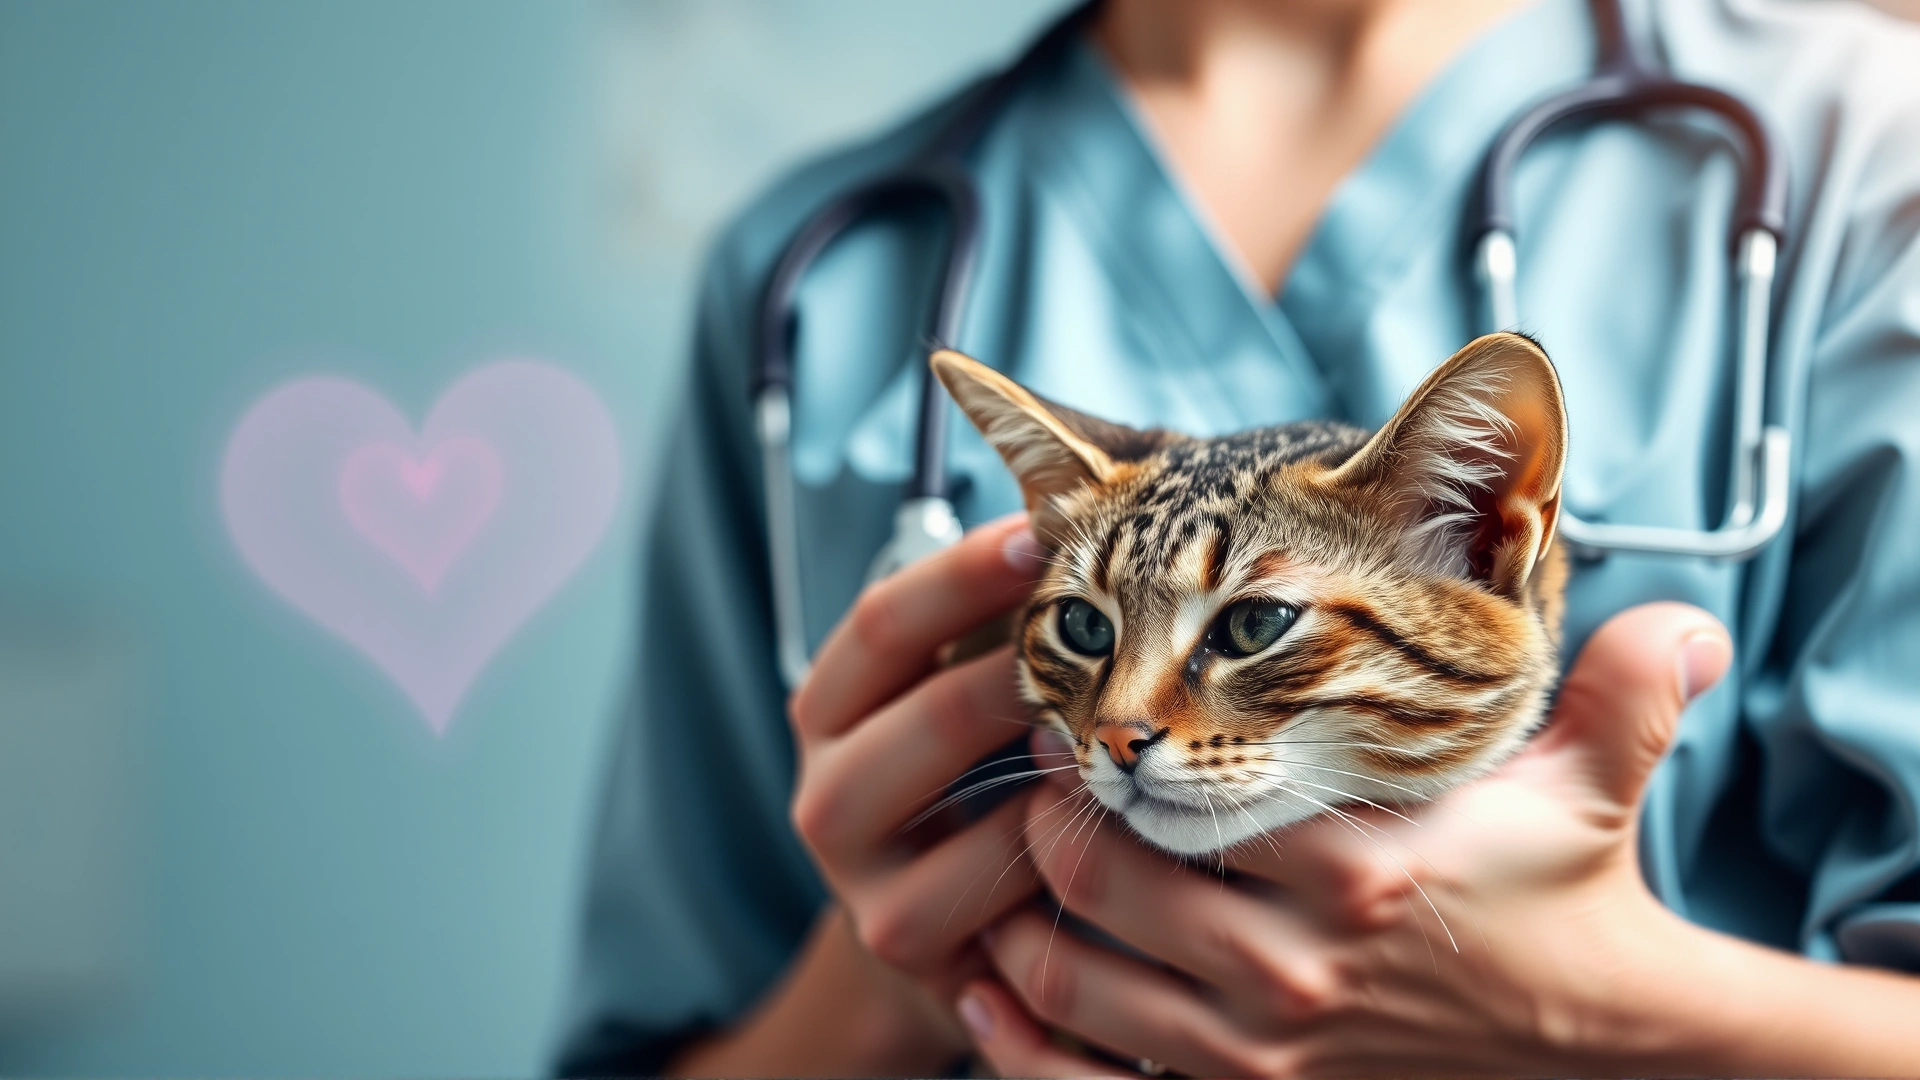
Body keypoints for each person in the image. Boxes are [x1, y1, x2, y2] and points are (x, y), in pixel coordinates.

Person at [556, 0, 1920, 1074]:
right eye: (1091, 640)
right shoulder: (819, 271)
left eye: (1250, 628)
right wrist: (899, 979)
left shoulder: (1870, 147)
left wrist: (1605, 1019)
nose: (1131, 727)